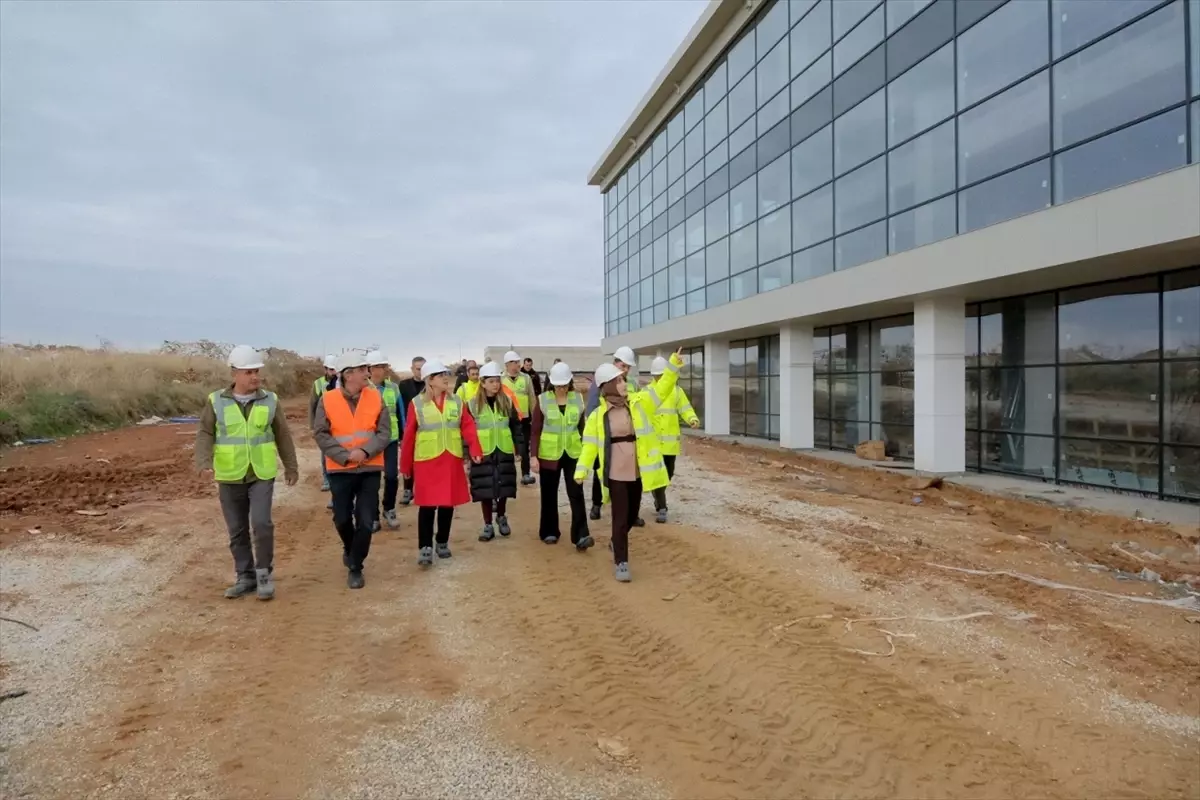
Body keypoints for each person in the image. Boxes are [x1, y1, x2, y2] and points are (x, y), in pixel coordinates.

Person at [195, 345, 299, 600]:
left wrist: (291, 466)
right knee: (237, 529)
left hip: (261, 473)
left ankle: (263, 574)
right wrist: (204, 462)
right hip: (229, 474)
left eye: (256, 371)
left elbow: (282, 435)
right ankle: (245, 576)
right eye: (248, 372)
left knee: (262, 524)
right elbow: (206, 432)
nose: (255, 377)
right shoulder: (216, 400)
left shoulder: (270, 400)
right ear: (234, 373)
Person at [575, 348, 682, 582]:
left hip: (636, 470)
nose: (625, 383)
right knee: (620, 516)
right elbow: (589, 446)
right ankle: (621, 561)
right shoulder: (597, 416)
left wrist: (673, 364)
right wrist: (581, 470)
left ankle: (617, 540)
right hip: (615, 472)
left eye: (623, 379)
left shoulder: (639, 403)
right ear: (607, 387)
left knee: (633, 513)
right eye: (619, 381)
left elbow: (662, 389)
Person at [313, 351, 391, 589]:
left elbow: (384, 432)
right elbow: (321, 434)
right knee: (342, 518)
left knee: (366, 521)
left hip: (369, 468)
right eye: (363, 369)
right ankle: (350, 549)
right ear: (348, 375)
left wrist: (365, 452)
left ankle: (356, 566)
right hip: (340, 469)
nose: (368, 373)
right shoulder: (327, 400)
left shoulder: (376, 397)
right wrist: (345, 456)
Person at [400, 358, 483, 566]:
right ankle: (425, 547)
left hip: (450, 459)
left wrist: (475, 448)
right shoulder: (417, 404)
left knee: (447, 503)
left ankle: (442, 542)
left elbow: (468, 426)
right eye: (441, 375)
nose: (446, 378)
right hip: (427, 461)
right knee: (427, 505)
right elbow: (409, 436)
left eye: (446, 374)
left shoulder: (457, 402)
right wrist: (405, 466)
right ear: (430, 380)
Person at [531, 362, 592, 550]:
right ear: (552, 383)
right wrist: (533, 456)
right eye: (558, 385)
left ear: (570, 383)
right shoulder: (543, 400)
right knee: (549, 494)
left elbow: (583, 429)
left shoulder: (578, 400)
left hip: (573, 453)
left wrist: (587, 454)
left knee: (576, 493)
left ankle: (581, 535)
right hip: (549, 455)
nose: (561, 389)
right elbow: (535, 431)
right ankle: (549, 531)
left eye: (564, 385)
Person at [585, 346, 643, 525]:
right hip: (605, 433)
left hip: (625, 432)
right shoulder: (602, 380)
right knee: (601, 469)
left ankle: (632, 514)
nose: (625, 370)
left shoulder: (632, 383)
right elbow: (592, 407)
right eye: (623, 366)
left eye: (628, 367)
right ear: (615, 363)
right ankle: (596, 504)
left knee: (632, 475)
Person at [467, 362, 522, 541]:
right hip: (482, 452)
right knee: (485, 488)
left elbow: (516, 426)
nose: (495, 385)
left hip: (503, 449)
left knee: (504, 485)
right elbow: (467, 431)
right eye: (491, 381)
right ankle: (488, 524)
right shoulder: (472, 405)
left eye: (497, 381)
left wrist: (519, 448)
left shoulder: (506, 401)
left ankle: (501, 516)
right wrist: (468, 453)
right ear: (482, 383)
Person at [647, 356, 700, 523]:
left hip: (670, 445)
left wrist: (692, 419)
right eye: (657, 375)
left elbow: (685, 408)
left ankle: (657, 496)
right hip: (654, 444)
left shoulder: (676, 391)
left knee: (668, 475)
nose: (659, 378)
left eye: (661, 375)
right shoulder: (648, 392)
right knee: (658, 475)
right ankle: (662, 508)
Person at [366, 350, 405, 531]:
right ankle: (373, 515)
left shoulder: (393, 388)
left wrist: (404, 437)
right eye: (380, 367)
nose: (384, 370)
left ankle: (389, 509)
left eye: (384, 366)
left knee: (391, 476)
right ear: (370, 369)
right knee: (372, 480)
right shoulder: (364, 390)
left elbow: (400, 414)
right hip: (371, 442)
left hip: (391, 439)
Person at [501, 350, 537, 486]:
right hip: (507, 419)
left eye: (518, 362)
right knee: (507, 448)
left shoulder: (526, 378)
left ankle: (525, 474)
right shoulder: (501, 379)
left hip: (524, 419)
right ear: (507, 364)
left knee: (524, 447)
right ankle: (508, 476)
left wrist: (534, 416)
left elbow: (532, 398)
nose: (518, 364)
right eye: (515, 362)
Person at [397, 356, 426, 506]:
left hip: (427, 428)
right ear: (412, 369)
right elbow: (400, 409)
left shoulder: (431, 385)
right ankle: (408, 489)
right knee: (408, 458)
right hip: (409, 427)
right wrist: (401, 432)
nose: (420, 372)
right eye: (418, 369)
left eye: (423, 369)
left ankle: (424, 489)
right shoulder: (404, 385)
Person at [310, 355, 338, 494]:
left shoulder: (340, 382)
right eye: (331, 369)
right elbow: (312, 406)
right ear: (325, 369)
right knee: (324, 454)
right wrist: (313, 427)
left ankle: (335, 478)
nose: (334, 372)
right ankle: (326, 479)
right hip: (323, 424)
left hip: (338, 423)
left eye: (335, 369)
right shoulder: (318, 384)